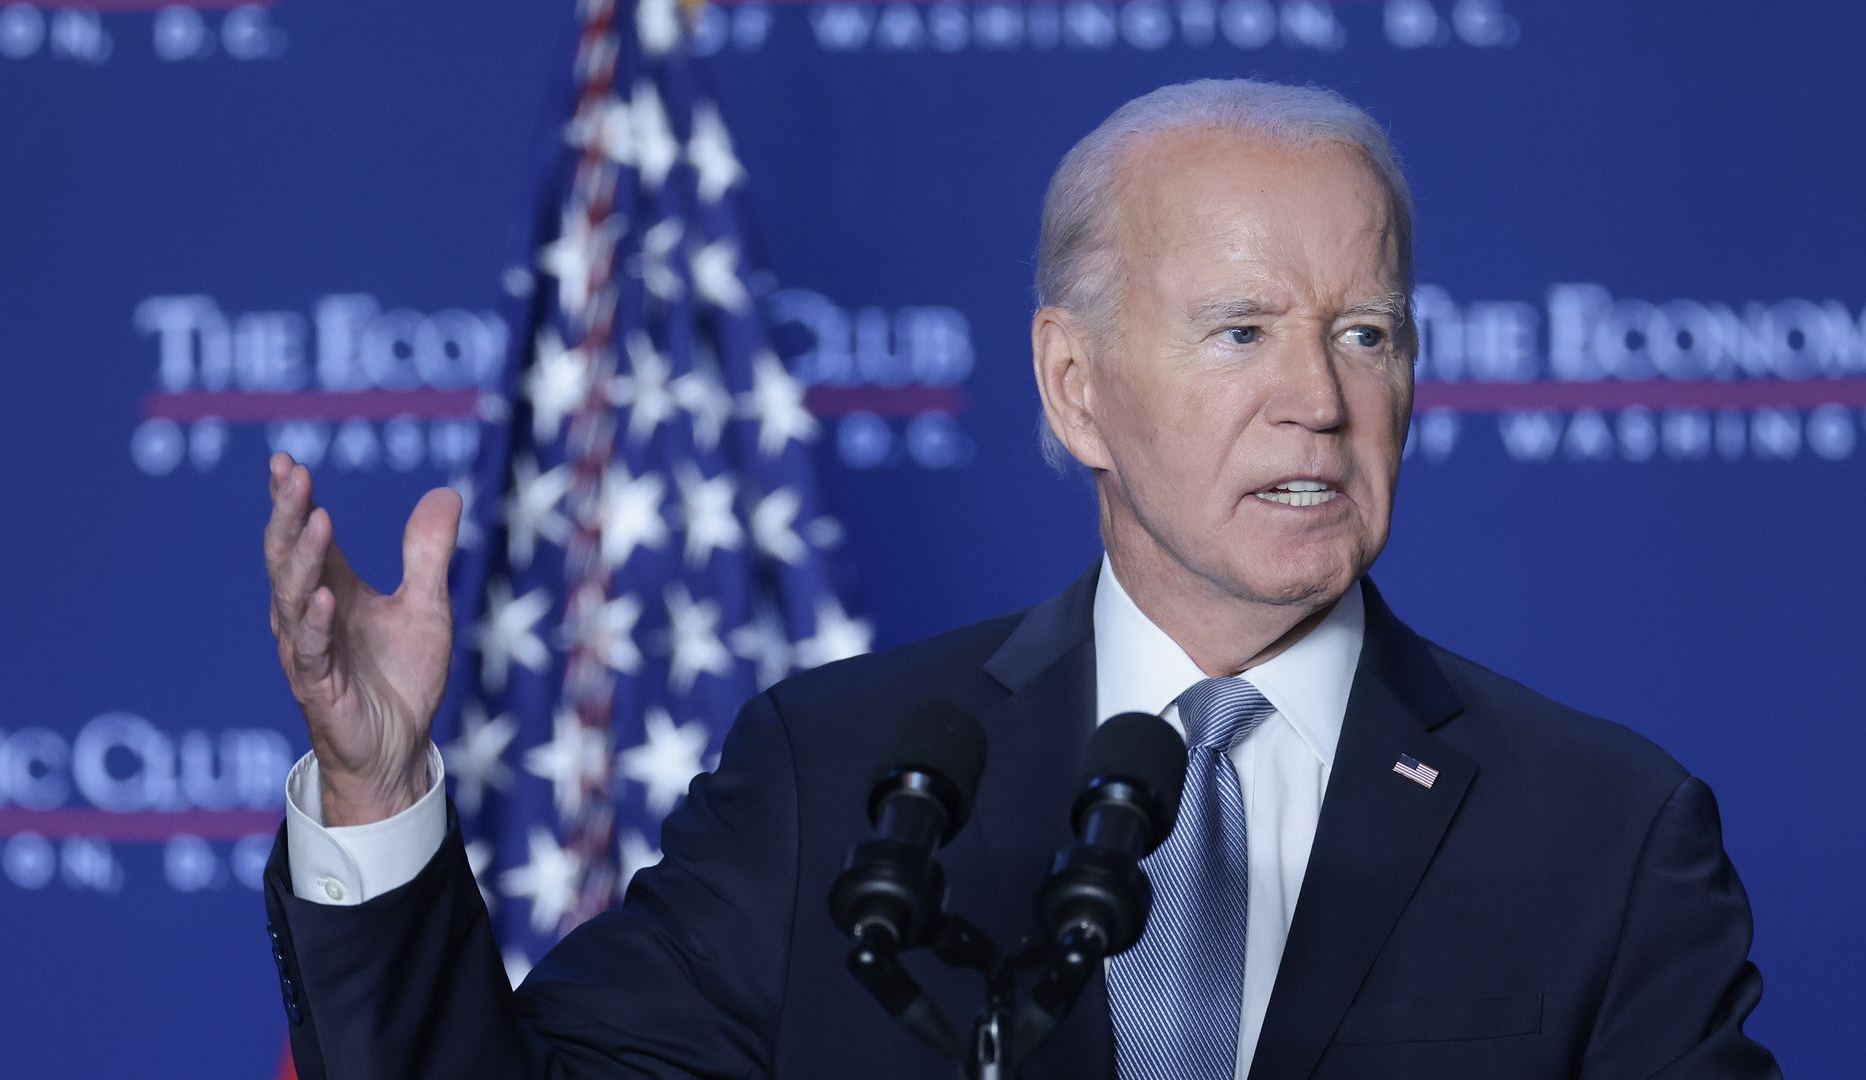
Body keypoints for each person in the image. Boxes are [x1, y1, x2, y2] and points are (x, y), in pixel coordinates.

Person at [262, 79, 1780, 1079]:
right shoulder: (839, 777)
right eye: (1241, 330)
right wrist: (384, 788)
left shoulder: (1607, 832)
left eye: (1365, 332)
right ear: (1074, 389)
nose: (1318, 395)